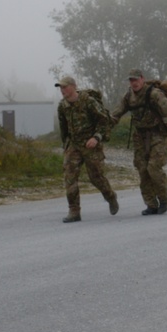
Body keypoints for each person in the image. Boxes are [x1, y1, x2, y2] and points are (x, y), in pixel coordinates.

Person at [110, 68, 167, 216]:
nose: (134, 83)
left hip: (157, 135)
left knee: (153, 168)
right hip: (139, 137)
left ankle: (164, 200)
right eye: (131, 80)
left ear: (142, 78)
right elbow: (116, 114)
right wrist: (103, 130)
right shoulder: (129, 96)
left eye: (136, 79)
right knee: (142, 170)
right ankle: (151, 204)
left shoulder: (155, 94)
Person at [55, 75, 118, 223]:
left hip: (91, 144)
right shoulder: (62, 106)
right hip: (73, 145)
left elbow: (104, 121)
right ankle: (74, 210)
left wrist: (96, 137)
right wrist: (66, 145)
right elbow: (63, 127)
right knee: (69, 176)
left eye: (65, 87)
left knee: (96, 177)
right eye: (61, 88)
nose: (62, 90)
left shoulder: (88, 102)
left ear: (73, 86)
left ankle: (110, 196)